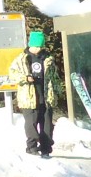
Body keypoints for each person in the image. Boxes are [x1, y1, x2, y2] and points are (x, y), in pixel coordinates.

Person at [8, 30, 56, 158]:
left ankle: (46, 149)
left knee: (46, 126)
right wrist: (25, 78)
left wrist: (56, 91)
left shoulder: (48, 59)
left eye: (40, 46)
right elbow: (12, 74)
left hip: (46, 97)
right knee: (31, 125)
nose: (38, 49)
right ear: (30, 45)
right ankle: (32, 147)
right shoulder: (21, 59)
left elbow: (54, 77)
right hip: (28, 98)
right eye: (36, 46)